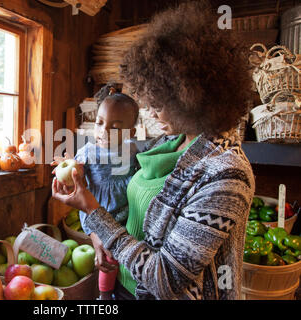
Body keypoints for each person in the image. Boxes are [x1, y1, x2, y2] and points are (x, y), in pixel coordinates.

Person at [52, 1, 255, 300]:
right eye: (149, 101)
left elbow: (167, 280)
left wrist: (91, 211)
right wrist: (98, 239)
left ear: (192, 100)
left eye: (159, 105)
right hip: (124, 285)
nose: (151, 112)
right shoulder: (168, 143)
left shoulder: (226, 175)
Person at [54, 83, 143, 300]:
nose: (103, 131)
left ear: (130, 132)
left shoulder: (134, 150)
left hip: (128, 217)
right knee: (108, 259)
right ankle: (104, 296)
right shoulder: (87, 152)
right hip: (98, 215)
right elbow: (76, 182)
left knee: (132, 255)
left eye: (115, 127)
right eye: (100, 123)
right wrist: (66, 167)